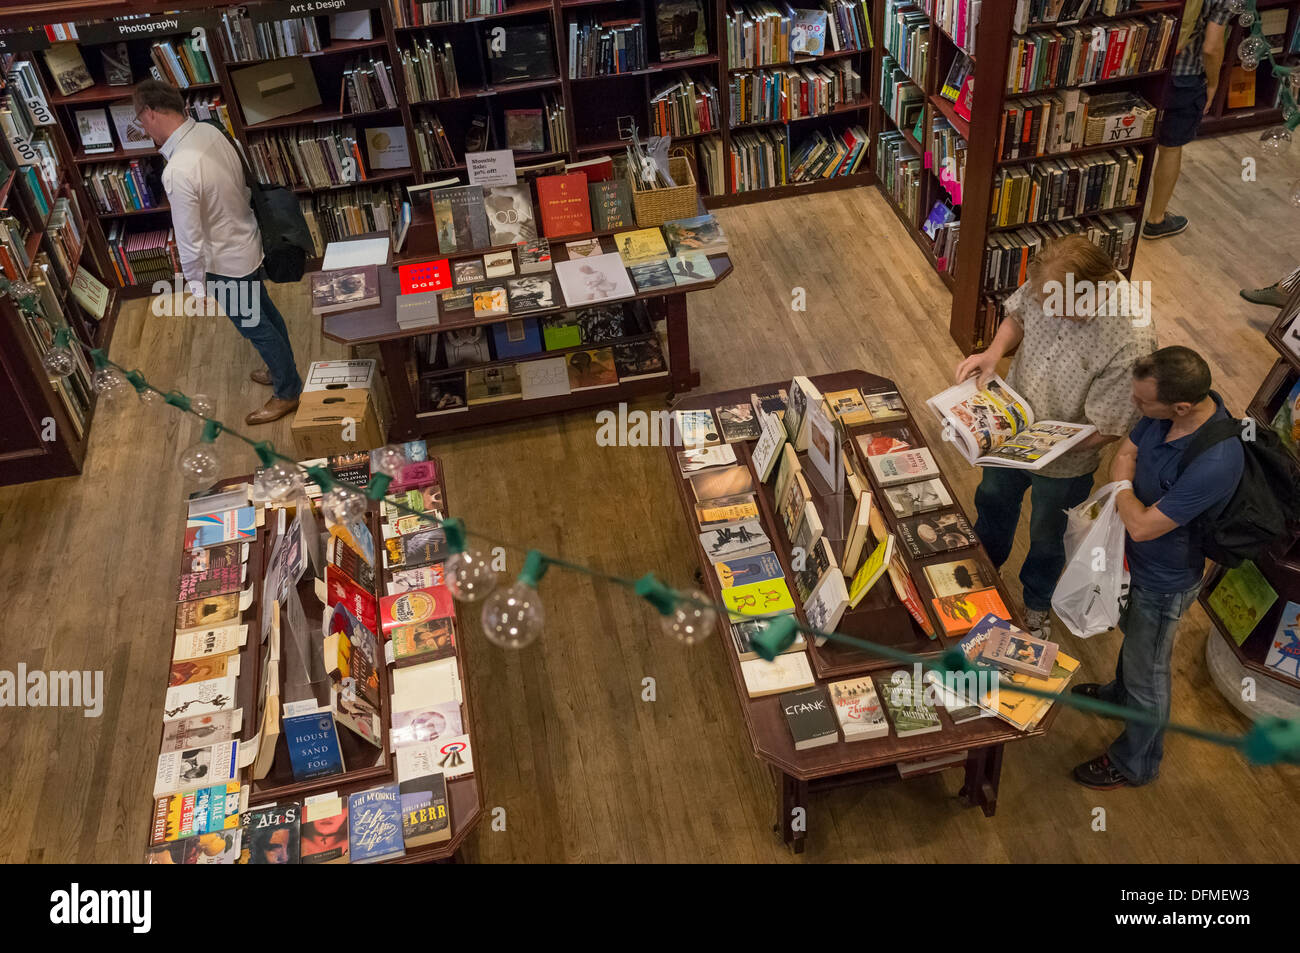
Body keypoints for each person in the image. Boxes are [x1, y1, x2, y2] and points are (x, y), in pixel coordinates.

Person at [955, 235, 1158, 639]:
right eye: (1046, 300)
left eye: (1062, 307)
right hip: (1013, 428)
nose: (1052, 311)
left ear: (1097, 288)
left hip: (1067, 459)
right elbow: (1018, 316)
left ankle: (1035, 604)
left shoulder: (1131, 337)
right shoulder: (1050, 283)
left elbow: (1110, 426)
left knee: (1048, 537)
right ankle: (983, 572)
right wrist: (994, 353)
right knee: (991, 499)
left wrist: (1048, 446)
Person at [1072, 346, 1245, 790]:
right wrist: (1128, 491)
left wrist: (1123, 491)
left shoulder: (1216, 460)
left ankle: (1136, 762)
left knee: (1150, 674)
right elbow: (1126, 453)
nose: (1135, 406)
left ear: (1181, 405)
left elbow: (1145, 525)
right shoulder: (1165, 411)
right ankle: (1118, 694)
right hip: (1133, 560)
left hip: (1164, 580)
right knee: (1134, 644)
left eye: (1143, 401)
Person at [132, 79, 302, 424]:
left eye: (140, 120)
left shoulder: (179, 170)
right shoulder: (213, 132)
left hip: (225, 262)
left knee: (255, 325)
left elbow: (189, 237)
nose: (143, 127)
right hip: (248, 240)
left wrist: (196, 286)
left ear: (150, 113)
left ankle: (288, 392)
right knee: (265, 313)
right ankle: (280, 370)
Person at [1142, 1, 1232, 239]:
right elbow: (1211, 47)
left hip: (1142, 66)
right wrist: (1213, 83)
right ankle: (1156, 219)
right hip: (1184, 78)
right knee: (1170, 148)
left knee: (1132, 143)